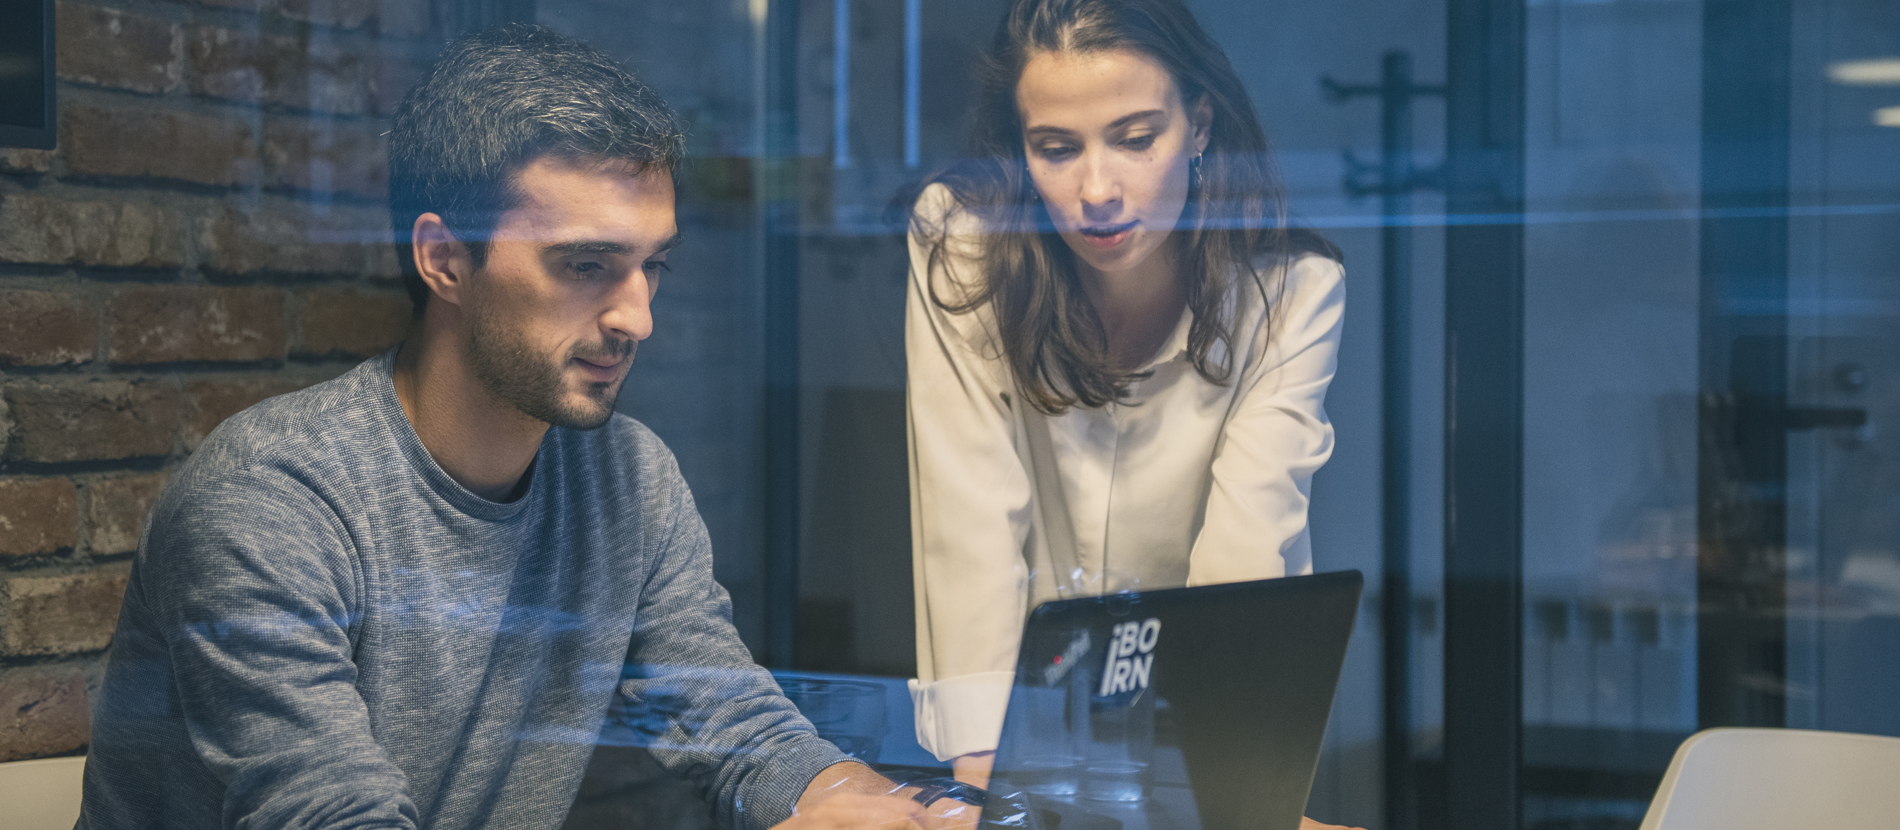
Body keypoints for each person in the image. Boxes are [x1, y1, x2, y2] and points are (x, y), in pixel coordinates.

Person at [80, 24, 971, 830]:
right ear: (444, 260)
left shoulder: (627, 479)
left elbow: (733, 724)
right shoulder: (269, 503)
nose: (637, 318)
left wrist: (877, 810)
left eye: (650, 267)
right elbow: (332, 815)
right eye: (586, 265)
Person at [904, 0, 1347, 791]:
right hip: (1019, 734)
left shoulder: (1291, 294)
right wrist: (987, 774)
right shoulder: (963, 246)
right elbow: (967, 522)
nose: (1097, 189)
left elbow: (1240, 572)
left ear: (1200, 126)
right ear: (1019, 151)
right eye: (1055, 149)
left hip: (1210, 738)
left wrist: (1199, 785)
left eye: (1137, 139)